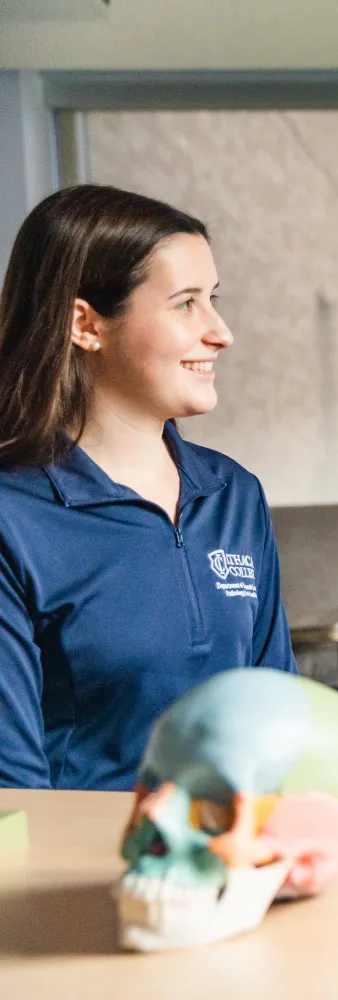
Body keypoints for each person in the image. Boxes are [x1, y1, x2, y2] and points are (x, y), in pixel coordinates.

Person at [0, 185, 296, 791]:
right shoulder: (13, 517)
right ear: (85, 324)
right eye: (186, 304)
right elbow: (13, 788)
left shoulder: (232, 495)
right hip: (83, 848)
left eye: (212, 299)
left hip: (239, 837)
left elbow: (276, 715)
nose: (221, 332)